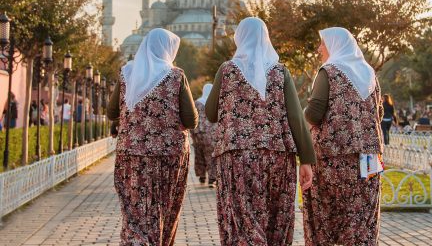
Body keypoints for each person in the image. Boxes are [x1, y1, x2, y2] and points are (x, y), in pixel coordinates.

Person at [206, 17, 315, 246]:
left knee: (244, 222)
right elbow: (295, 117)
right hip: (277, 157)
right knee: (275, 220)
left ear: (239, 37)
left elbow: (211, 113)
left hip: (237, 158)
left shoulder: (227, 71)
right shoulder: (279, 72)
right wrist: (306, 159)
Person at [107, 28, 198, 246]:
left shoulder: (127, 73)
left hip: (131, 154)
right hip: (169, 156)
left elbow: (112, 113)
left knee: (134, 212)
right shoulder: (176, 76)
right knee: (163, 209)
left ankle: (137, 241)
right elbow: (191, 120)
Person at [303, 27, 384, 246]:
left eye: (323, 43)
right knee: (362, 216)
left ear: (335, 45)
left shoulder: (329, 71)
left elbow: (314, 113)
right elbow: (379, 112)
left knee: (326, 216)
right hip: (370, 158)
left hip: (334, 157)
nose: (320, 48)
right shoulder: (368, 73)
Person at [191, 83, 217, 187]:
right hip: (212, 133)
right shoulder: (214, 103)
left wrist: (192, 133)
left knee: (199, 155)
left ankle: (202, 176)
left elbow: (194, 118)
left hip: (199, 133)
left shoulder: (197, 103)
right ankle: (212, 178)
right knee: (211, 155)